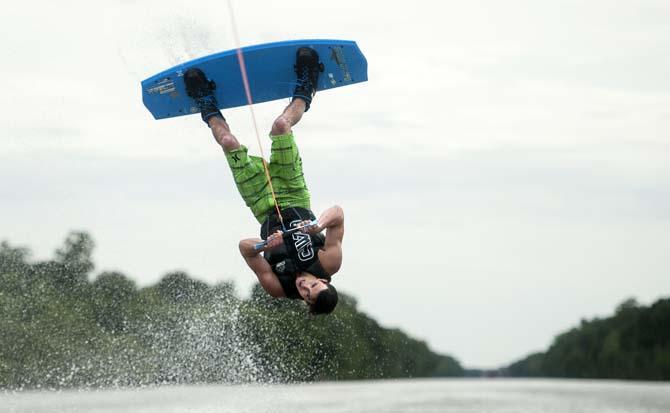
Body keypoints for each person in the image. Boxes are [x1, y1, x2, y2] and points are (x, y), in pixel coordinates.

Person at [183, 47, 343, 314]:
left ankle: (205, 100)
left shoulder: (279, 288)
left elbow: (245, 249)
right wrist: (317, 226)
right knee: (281, 126)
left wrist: (263, 246)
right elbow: (337, 214)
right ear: (324, 281)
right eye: (313, 288)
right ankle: (307, 81)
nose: (305, 288)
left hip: (260, 205)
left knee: (228, 142)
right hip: (294, 195)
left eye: (307, 296)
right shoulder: (329, 263)